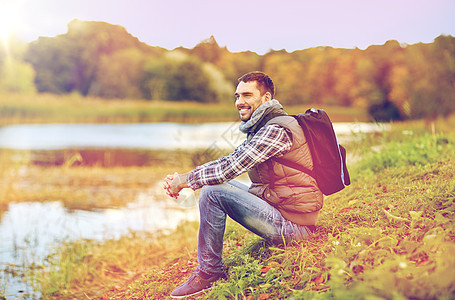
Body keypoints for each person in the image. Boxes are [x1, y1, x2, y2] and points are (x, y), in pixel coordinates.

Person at [163, 71, 322, 298]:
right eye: (237, 96)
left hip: (296, 227)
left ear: (266, 98)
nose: (239, 102)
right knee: (217, 185)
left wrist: (186, 180)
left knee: (213, 192)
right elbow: (230, 161)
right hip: (285, 210)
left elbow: (232, 166)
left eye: (247, 95)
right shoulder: (264, 126)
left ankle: (208, 272)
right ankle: (209, 270)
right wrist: (188, 177)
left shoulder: (276, 130)